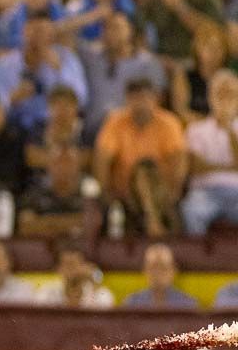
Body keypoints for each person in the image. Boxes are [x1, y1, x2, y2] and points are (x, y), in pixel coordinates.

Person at [94, 78, 187, 236]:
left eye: (145, 98)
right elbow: (102, 160)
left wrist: (172, 195)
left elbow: (179, 162)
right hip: (124, 194)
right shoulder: (115, 122)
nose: (140, 104)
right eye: (135, 98)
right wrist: (106, 194)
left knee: (147, 173)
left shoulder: (169, 123)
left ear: (155, 99)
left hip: (161, 193)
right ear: (127, 100)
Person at [0, 10, 88, 133]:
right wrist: (12, 99)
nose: (38, 38)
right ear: (24, 32)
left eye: (44, 32)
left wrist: (58, 70)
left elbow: (81, 98)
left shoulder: (66, 59)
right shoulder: (4, 64)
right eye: (34, 32)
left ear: (52, 34)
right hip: (15, 127)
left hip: (53, 126)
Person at [79, 13, 167, 135]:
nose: (110, 33)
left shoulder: (147, 63)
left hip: (129, 129)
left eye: (116, 28)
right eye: (107, 28)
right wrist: (91, 15)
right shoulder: (91, 57)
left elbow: (157, 101)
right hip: (92, 129)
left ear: (130, 31)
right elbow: (60, 36)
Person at [181, 70, 238, 235]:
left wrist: (229, 130)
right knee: (191, 211)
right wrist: (231, 167)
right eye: (220, 93)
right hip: (204, 192)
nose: (225, 100)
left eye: (230, 94)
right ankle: (196, 261)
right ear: (210, 97)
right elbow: (196, 167)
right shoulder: (195, 129)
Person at [17, 145, 89, 238]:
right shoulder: (34, 195)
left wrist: (46, 224)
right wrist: (71, 223)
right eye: (58, 162)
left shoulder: (89, 194)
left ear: (78, 166)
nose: (63, 168)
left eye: (68, 162)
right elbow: (26, 227)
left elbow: (91, 225)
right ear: (49, 165)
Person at [35, 244, 114, 307]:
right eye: (67, 265)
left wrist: (94, 287)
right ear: (58, 269)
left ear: (86, 266)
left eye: (75, 265)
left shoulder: (102, 295)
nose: (72, 271)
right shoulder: (46, 293)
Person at [122, 243, 199, 308]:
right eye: (153, 268)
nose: (157, 273)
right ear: (144, 271)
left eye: (163, 268)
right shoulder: (131, 303)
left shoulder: (189, 305)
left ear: (173, 271)